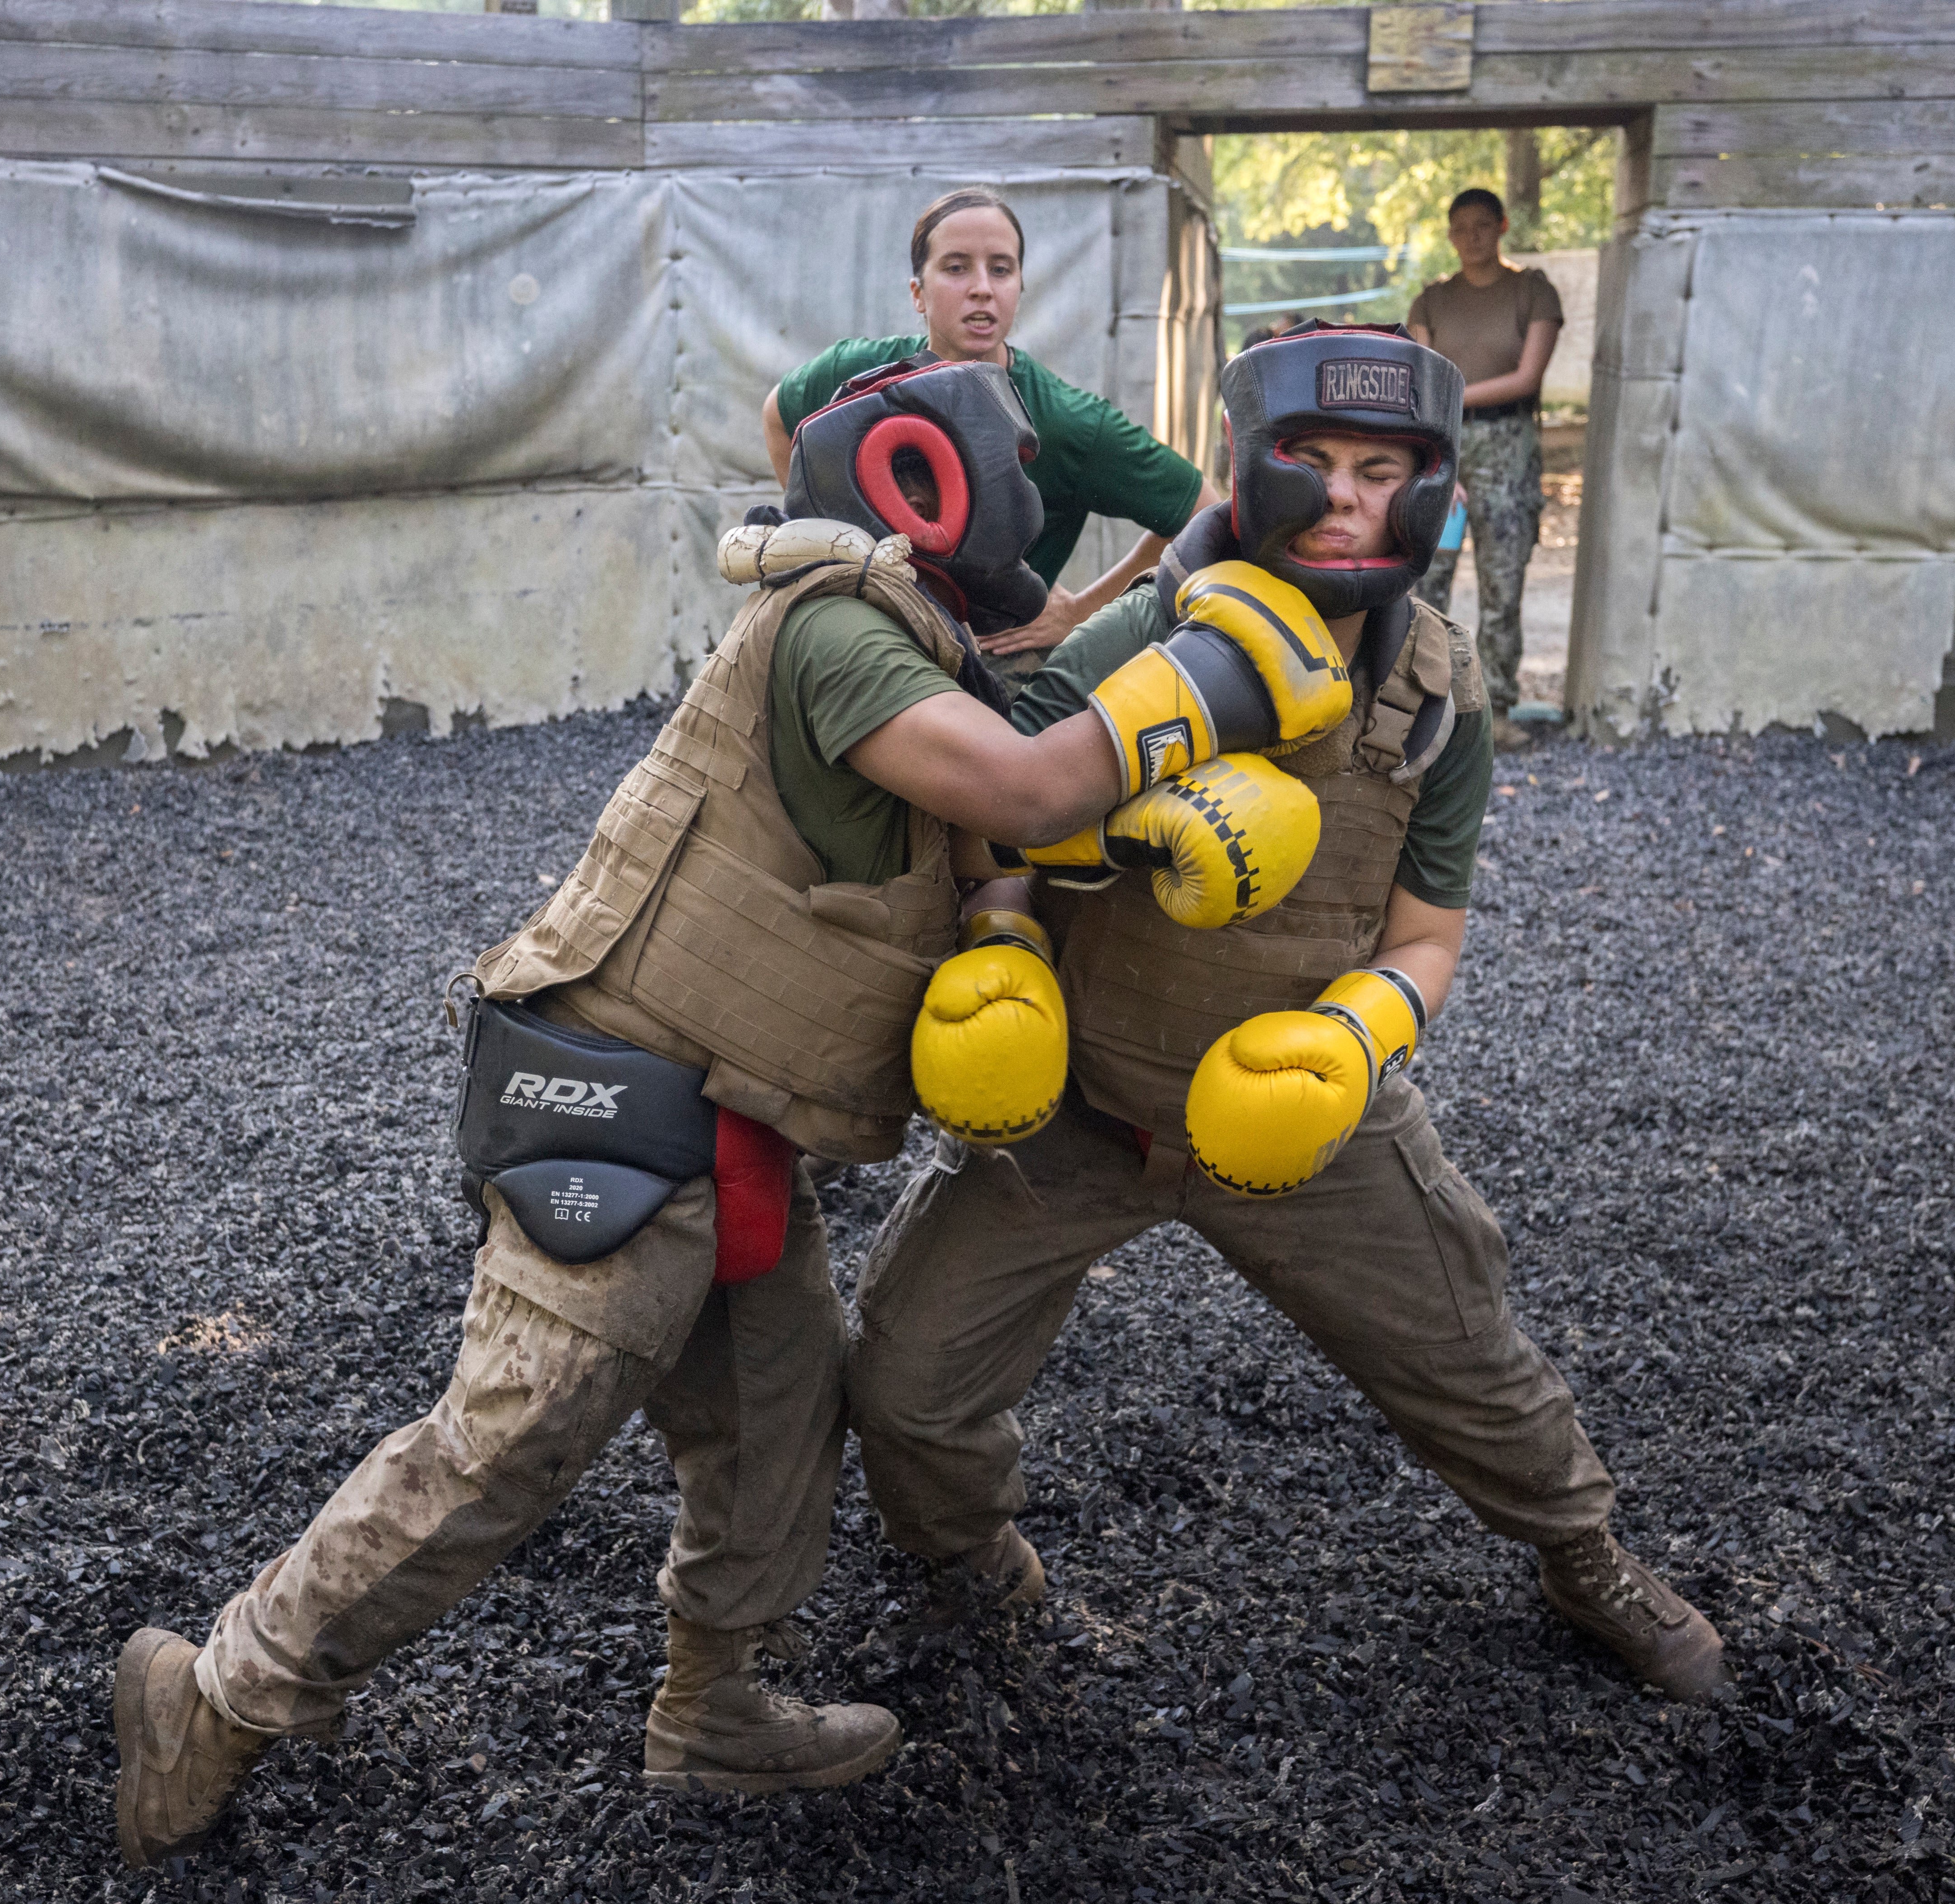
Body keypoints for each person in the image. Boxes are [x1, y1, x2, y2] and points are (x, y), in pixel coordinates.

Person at [110, 358, 1354, 1868]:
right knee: (514, 1438)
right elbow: (1027, 780)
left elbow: (1034, 722)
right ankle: (223, 1698)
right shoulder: (831, 631)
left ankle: (712, 1708)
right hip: (621, 1097)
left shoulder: (920, 645)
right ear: (920, 473)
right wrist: (1210, 678)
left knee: (778, 1409)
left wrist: (1211, 552)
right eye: (1019, 457)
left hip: (749, 1117)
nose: (1042, 489)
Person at [846, 324, 1730, 1704]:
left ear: (1428, 485)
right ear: (1248, 468)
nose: (1342, 498)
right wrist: (1004, 949)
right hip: (1082, 1107)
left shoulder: (1435, 693)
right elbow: (999, 826)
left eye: (1381, 469)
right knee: (902, 1381)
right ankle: (970, 1564)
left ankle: (1581, 1550)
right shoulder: (1147, 632)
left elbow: (1428, 933)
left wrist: (1357, 1035)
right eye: (1310, 462)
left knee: (1475, 1365)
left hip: (1308, 1119)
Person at [762, 186, 1223, 666]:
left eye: (1000, 269)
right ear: (917, 292)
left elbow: (1203, 512)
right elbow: (778, 417)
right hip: (856, 632)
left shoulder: (1064, 423)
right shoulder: (854, 375)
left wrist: (1081, 611)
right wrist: (824, 535)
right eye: (956, 267)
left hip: (982, 666)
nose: (982, 286)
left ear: (1018, 290)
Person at [1409, 187, 1563, 752]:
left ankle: (1494, 710)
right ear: (1449, 235)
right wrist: (1440, 445)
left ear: (1500, 226)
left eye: (1481, 225)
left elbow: (1527, 377)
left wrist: (1455, 396)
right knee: (1428, 581)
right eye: (1459, 227)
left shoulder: (1531, 289)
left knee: (1504, 581)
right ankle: (1421, 709)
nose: (1470, 236)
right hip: (1442, 445)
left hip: (1508, 447)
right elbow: (1423, 381)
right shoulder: (1431, 300)